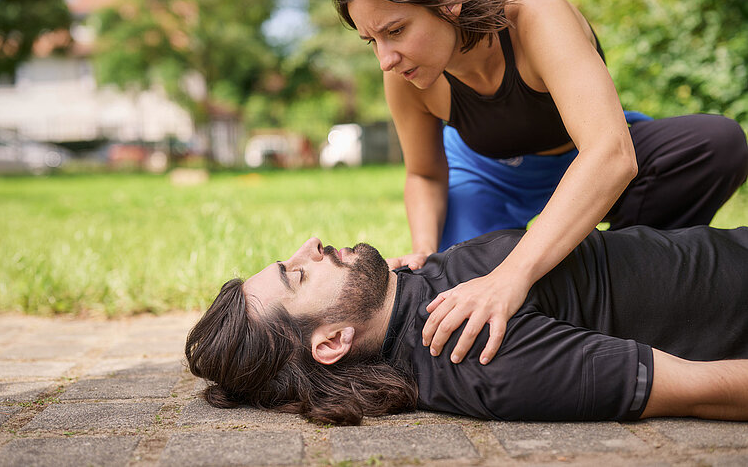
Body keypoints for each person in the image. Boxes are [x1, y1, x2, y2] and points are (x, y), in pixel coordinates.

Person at [332, 0, 748, 367]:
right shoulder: (404, 76)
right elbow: (425, 173)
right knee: (456, 299)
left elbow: (609, 151)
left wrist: (512, 274)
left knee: (717, 144)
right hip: (490, 177)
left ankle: (624, 277)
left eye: (395, 31)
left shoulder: (535, 16)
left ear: (449, 2)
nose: (386, 59)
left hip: (589, 153)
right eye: (373, 41)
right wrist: (425, 246)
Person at [185, 225, 748, 426]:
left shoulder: (409, 298)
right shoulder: (472, 354)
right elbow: (702, 393)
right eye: (297, 276)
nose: (309, 246)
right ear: (332, 342)